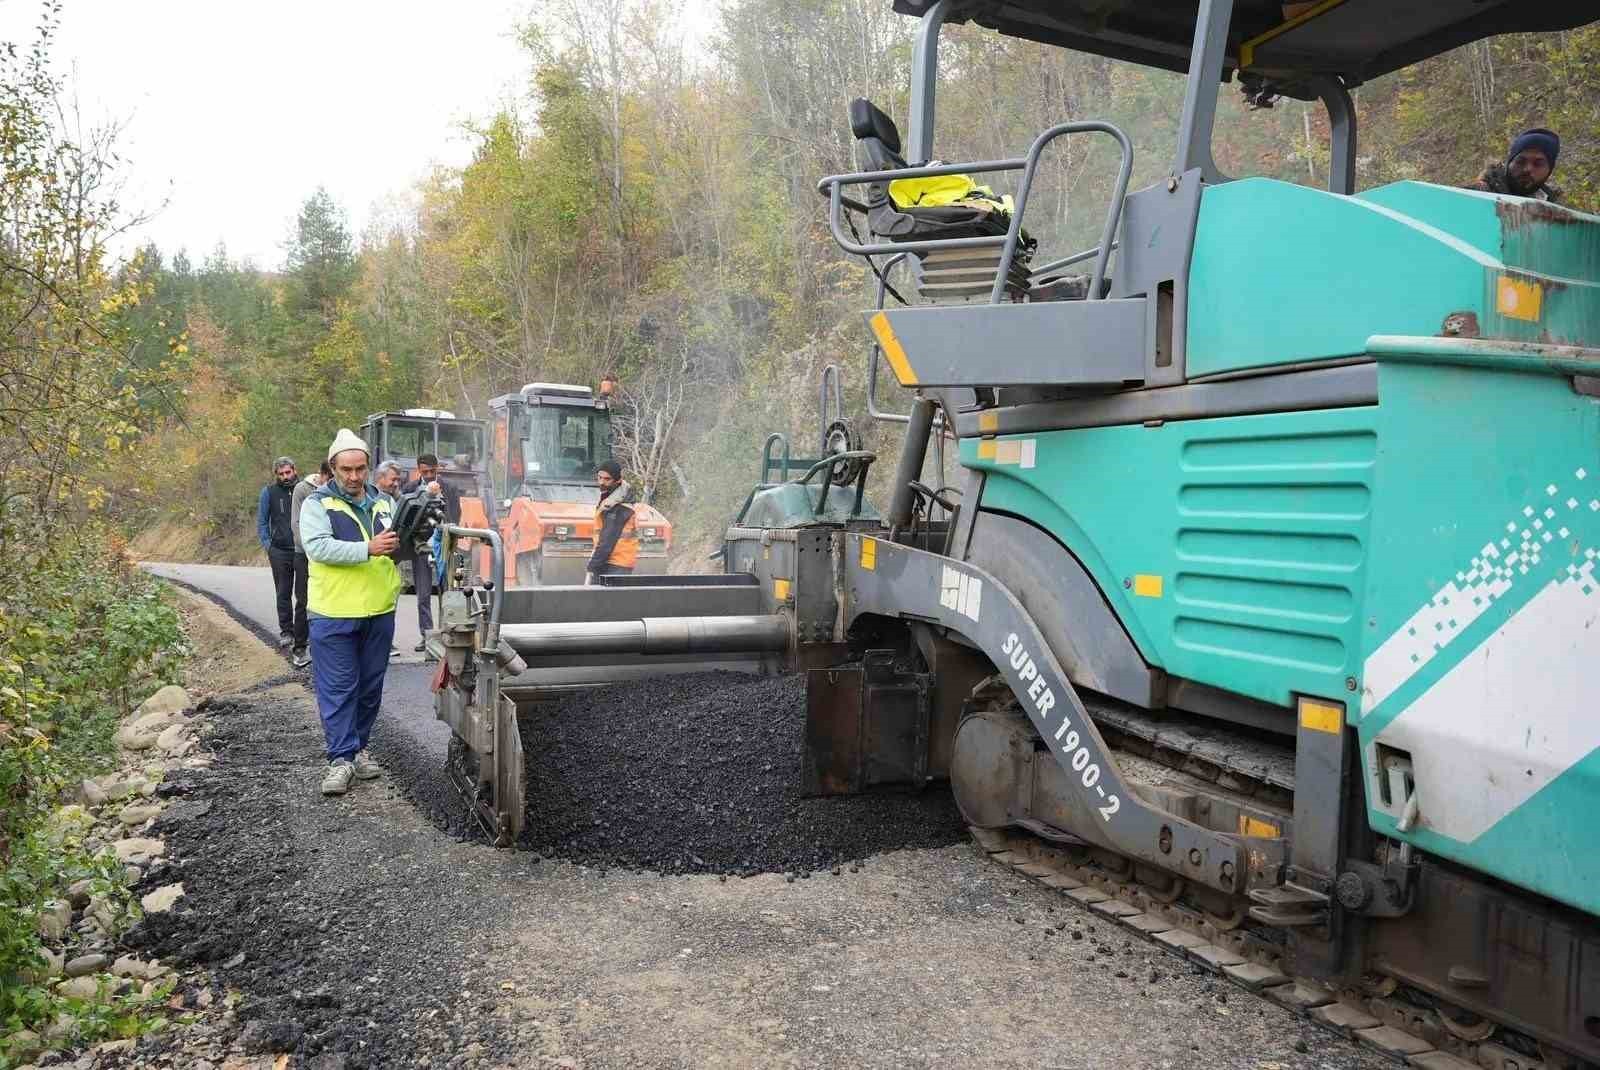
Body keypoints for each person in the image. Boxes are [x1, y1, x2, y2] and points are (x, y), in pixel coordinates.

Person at [299, 429, 400, 796]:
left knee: (370, 688)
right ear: (333, 468)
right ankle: (340, 760)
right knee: (339, 688)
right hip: (333, 612)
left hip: (378, 610)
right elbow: (319, 548)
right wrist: (368, 549)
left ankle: (358, 749)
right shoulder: (317, 505)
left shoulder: (384, 503)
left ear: (368, 468)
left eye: (360, 469)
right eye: (346, 469)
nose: (354, 476)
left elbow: (392, 546)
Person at [400, 453, 457, 654]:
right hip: (421, 547)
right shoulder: (409, 489)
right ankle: (426, 636)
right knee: (423, 594)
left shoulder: (449, 488)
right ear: (419, 470)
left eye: (433, 471)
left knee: (447, 592)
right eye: (425, 472)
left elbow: (455, 516)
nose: (430, 475)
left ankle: (448, 634)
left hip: (444, 547)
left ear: (437, 469)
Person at [287, 460, 333, 669]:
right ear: (322, 475)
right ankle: (299, 647)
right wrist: (312, 549)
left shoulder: (337, 492)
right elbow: (296, 524)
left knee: (327, 600)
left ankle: (321, 648)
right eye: (330, 478)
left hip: (329, 555)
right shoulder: (302, 489)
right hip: (304, 553)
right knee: (304, 600)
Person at [256, 456, 304, 649]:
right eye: (281, 474)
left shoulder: (305, 489)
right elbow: (262, 522)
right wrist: (269, 546)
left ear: (294, 470)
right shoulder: (269, 492)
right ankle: (286, 631)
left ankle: (303, 633)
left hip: (301, 550)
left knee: (303, 595)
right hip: (279, 551)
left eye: (288, 472)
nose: (285, 476)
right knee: (283, 592)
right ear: (276, 475)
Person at [1470, 128, 1563, 203]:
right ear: (1509, 162)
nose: (1527, 169)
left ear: (1549, 170)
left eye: (1538, 164)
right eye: (1521, 161)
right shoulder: (1475, 195)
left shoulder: (1553, 212)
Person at [586, 460, 638, 584]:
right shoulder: (610, 499)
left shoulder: (619, 507)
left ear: (617, 481)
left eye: (607, 479)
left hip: (616, 564)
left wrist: (593, 565)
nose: (601, 482)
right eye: (599, 477)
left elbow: (607, 540)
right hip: (612, 561)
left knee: (607, 602)